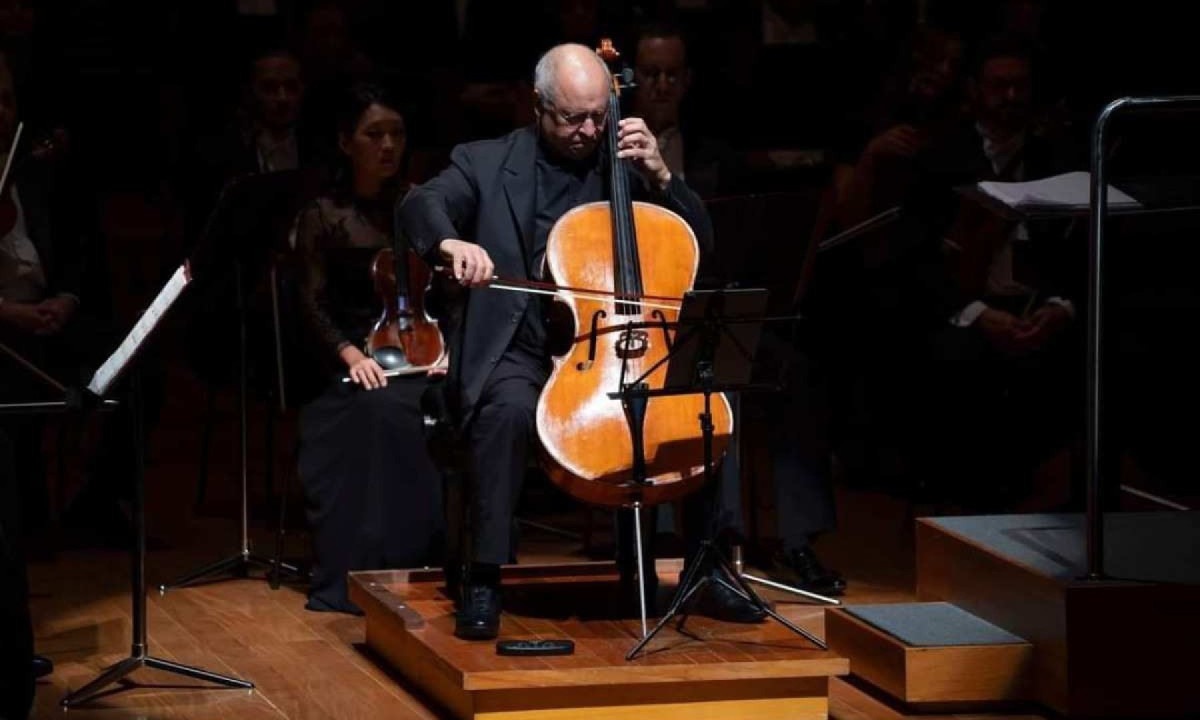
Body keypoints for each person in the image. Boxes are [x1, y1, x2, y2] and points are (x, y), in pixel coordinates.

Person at [398, 43, 765, 640]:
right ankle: (485, 576)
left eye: (599, 115)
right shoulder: (485, 162)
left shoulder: (627, 167)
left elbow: (699, 245)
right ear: (537, 106)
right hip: (522, 342)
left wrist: (663, 177)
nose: (589, 130)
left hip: (619, 342)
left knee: (706, 393)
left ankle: (710, 567)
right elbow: (423, 202)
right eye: (572, 117)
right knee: (507, 410)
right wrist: (450, 244)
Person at [293, 82, 444, 615]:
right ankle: (367, 572)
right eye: (373, 134)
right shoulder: (324, 215)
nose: (387, 145)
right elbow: (309, 306)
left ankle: (431, 566)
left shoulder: (420, 206)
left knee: (451, 402)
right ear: (345, 142)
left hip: (419, 353)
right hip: (349, 362)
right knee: (379, 410)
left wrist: (445, 352)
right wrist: (351, 355)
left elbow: (444, 294)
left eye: (396, 134)